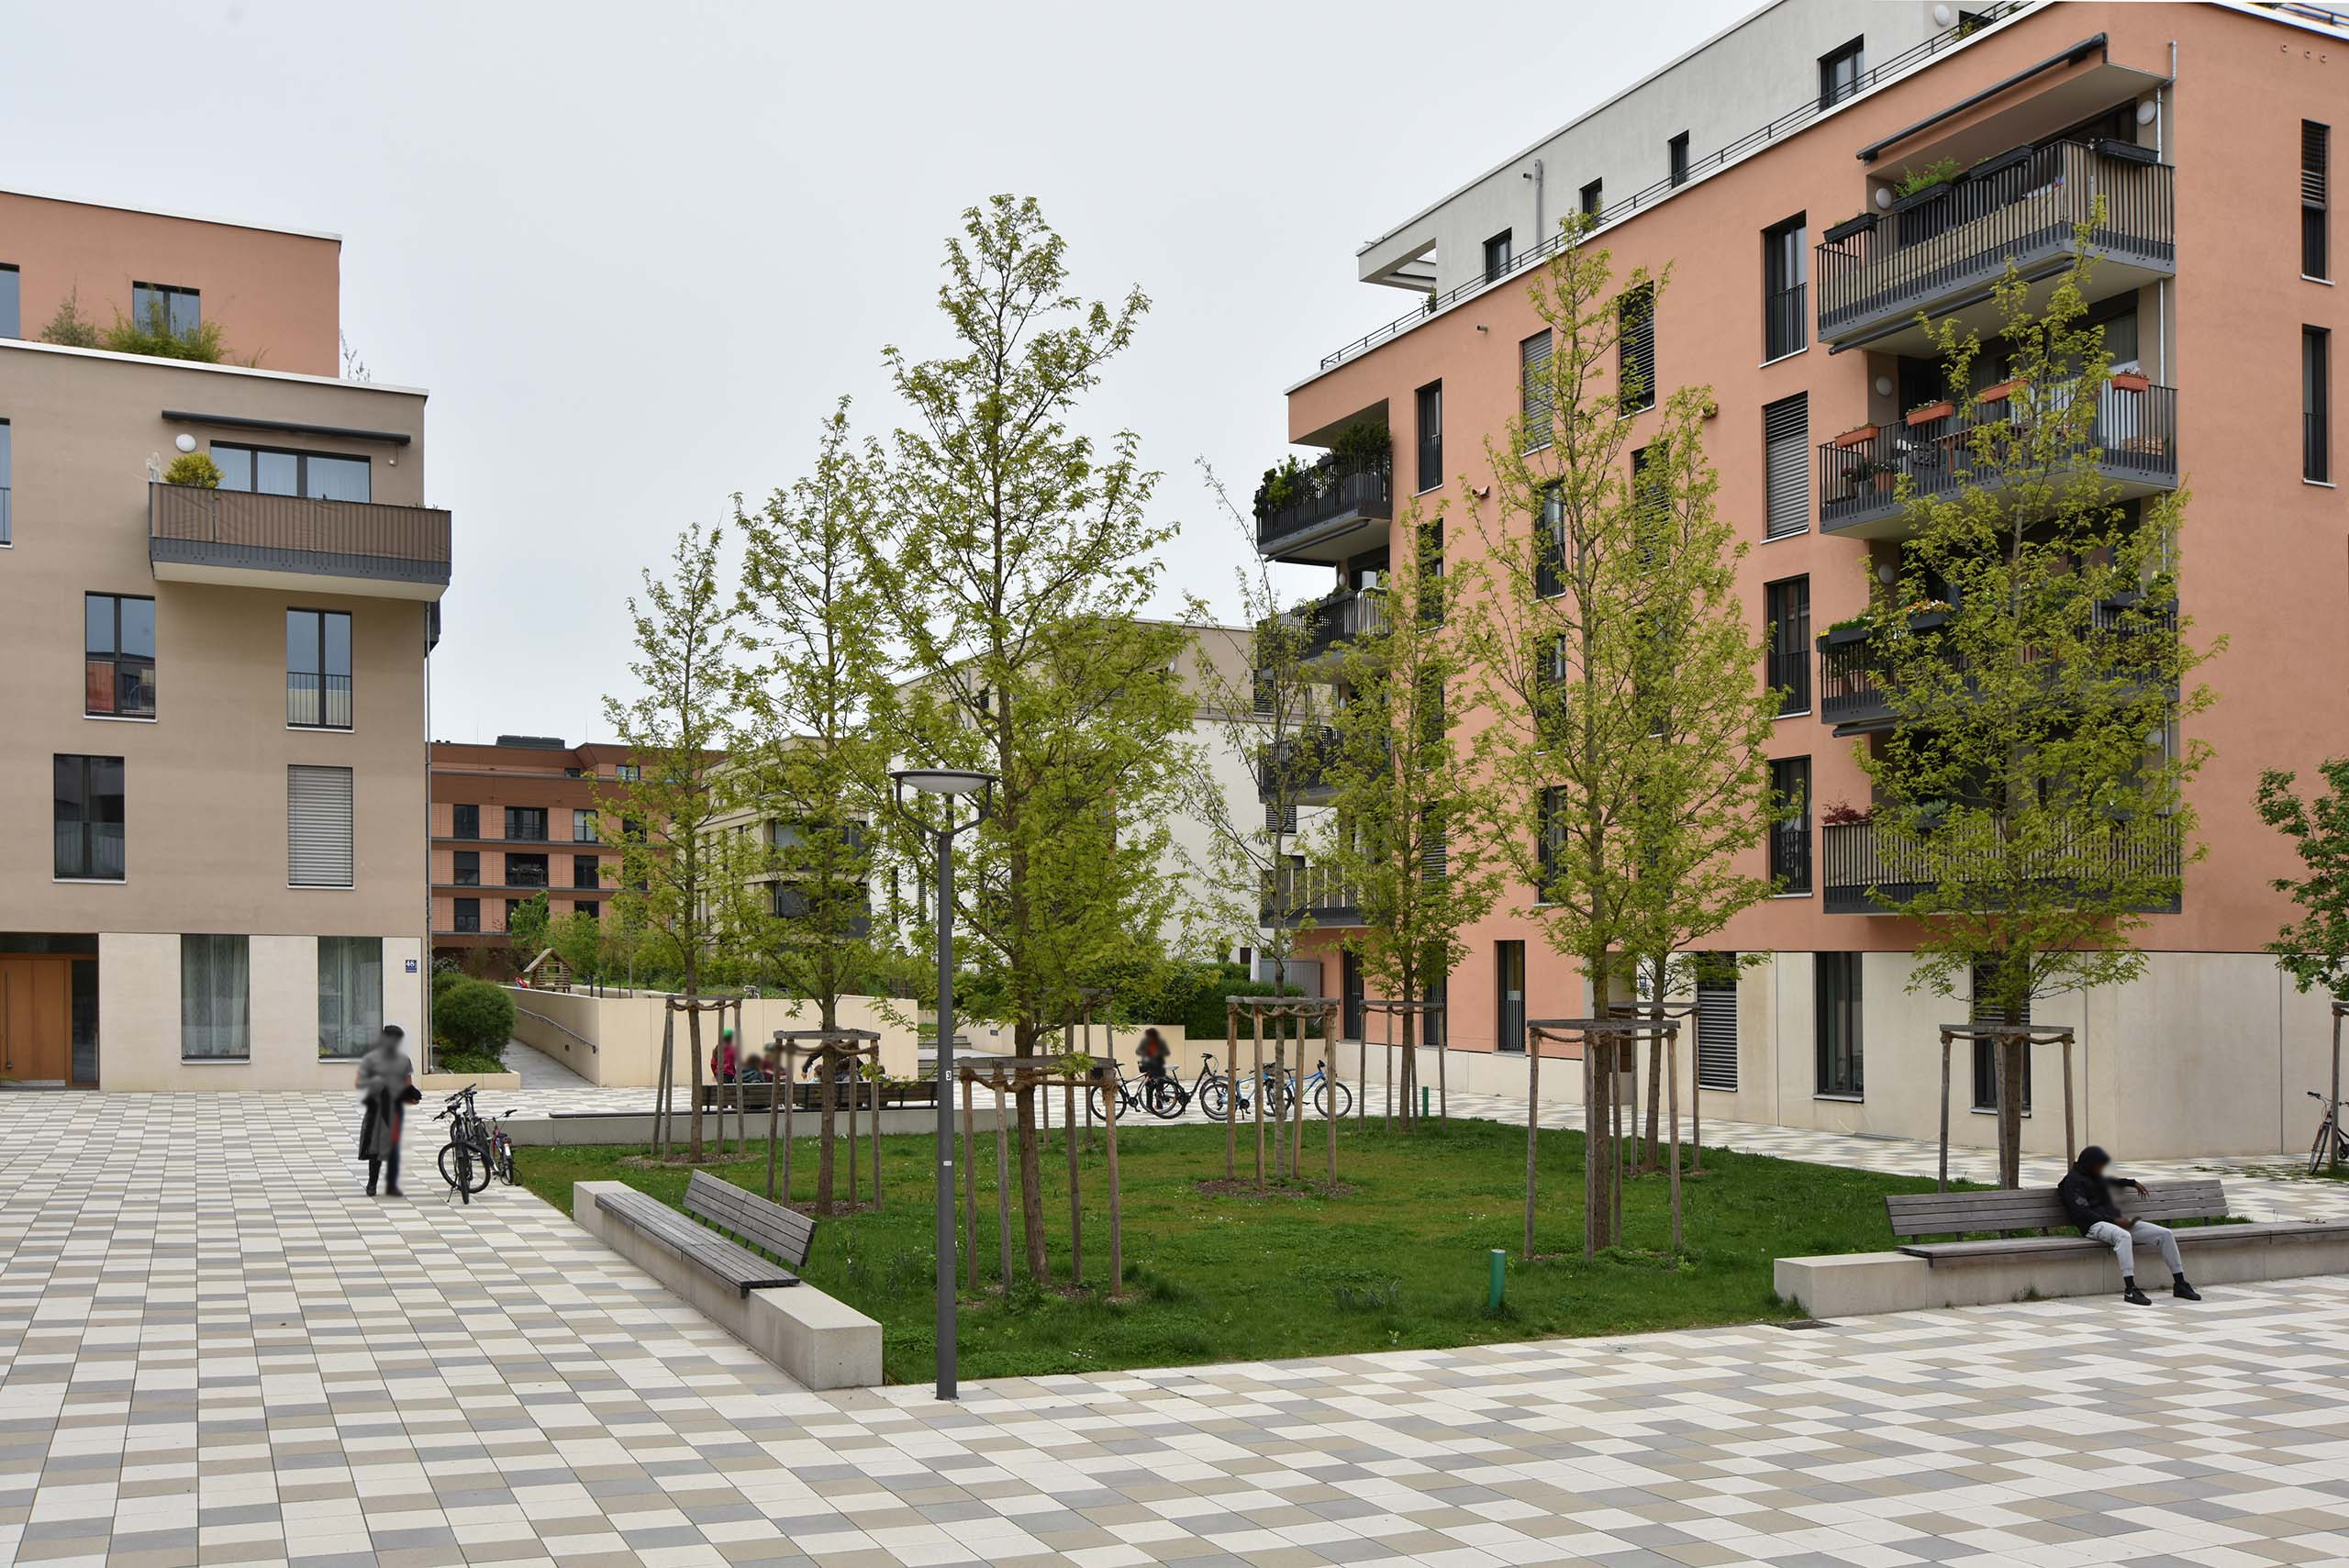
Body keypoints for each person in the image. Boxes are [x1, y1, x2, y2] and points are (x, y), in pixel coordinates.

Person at [2057, 1145, 2200, 1305]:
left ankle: (2180, 1284)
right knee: (2124, 1236)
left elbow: (2109, 1181)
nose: (2102, 1169)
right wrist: (2113, 1221)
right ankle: (2130, 1289)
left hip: (2114, 1222)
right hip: (2093, 1226)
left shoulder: (2092, 1175)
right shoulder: (2072, 1182)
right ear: (2090, 1163)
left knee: (2165, 1234)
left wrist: (2132, 1182)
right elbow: (2082, 1212)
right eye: (2100, 1165)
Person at [355, 1024, 415, 1197]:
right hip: (376, 1108)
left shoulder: (404, 1060)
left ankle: (392, 1184)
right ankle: (372, 1183)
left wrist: (411, 1094)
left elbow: (407, 1083)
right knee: (375, 1146)